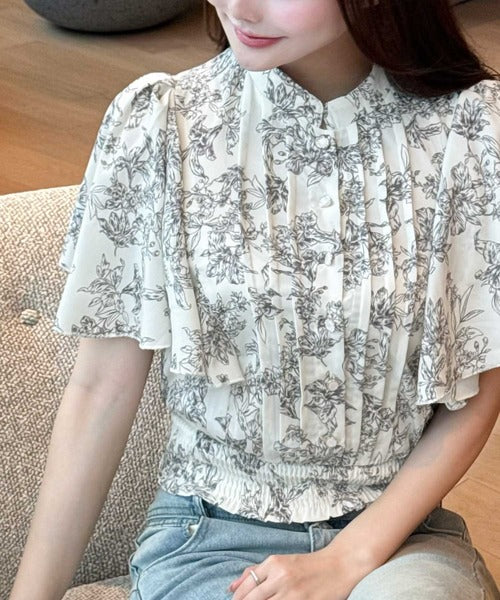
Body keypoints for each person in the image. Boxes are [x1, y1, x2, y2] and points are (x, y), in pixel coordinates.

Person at [9, 0, 500, 599]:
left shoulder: (470, 132)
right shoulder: (160, 125)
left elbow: (478, 393)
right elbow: (99, 391)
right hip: (208, 540)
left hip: (399, 542)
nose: (239, 8)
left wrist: (349, 557)